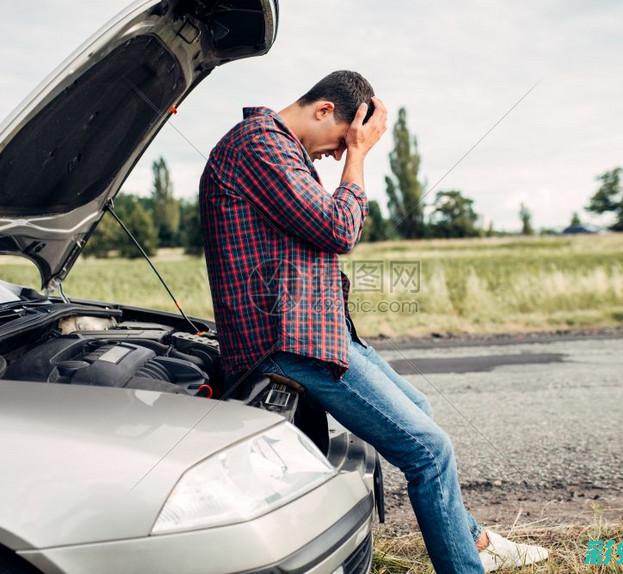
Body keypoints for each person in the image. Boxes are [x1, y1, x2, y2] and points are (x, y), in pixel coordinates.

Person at [199, 70, 549, 573]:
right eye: (342, 140)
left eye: (347, 149)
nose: (339, 155)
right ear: (323, 110)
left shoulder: (277, 149)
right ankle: (466, 564)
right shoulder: (260, 145)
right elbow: (338, 228)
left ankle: (476, 543)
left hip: (316, 332)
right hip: (289, 342)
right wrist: (361, 157)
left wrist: (353, 149)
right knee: (429, 452)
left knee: (420, 407)